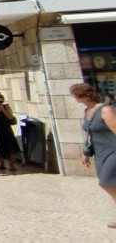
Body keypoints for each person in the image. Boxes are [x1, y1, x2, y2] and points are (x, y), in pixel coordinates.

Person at [72, 82, 116, 229]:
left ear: (81, 96)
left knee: (107, 182)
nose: (74, 99)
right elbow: (89, 135)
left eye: (75, 96)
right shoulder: (87, 111)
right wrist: (86, 153)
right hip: (100, 153)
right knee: (110, 184)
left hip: (113, 151)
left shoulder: (106, 110)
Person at [0, 92, 20, 172]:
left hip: (6, 129)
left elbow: (11, 117)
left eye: (1, 101)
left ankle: (11, 165)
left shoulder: (6, 107)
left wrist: (3, 110)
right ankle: (2, 164)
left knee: (10, 147)